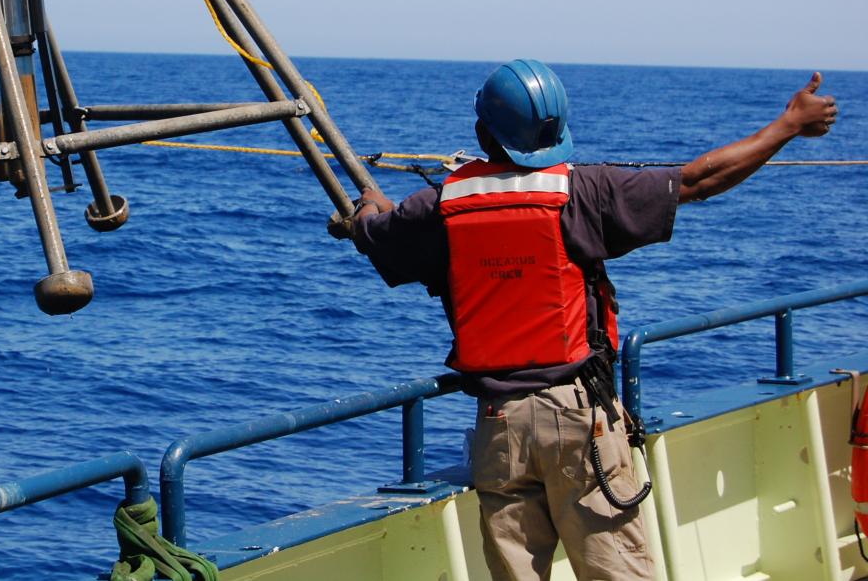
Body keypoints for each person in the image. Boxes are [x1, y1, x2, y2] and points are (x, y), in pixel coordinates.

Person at [341, 59, 837, 581]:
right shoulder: (585, 193)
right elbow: (700, 180)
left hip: (499, 427)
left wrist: (370, 207)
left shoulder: (435, 208)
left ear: (483, 133)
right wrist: (789, 125)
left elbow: (376, 235)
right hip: (579, 417)